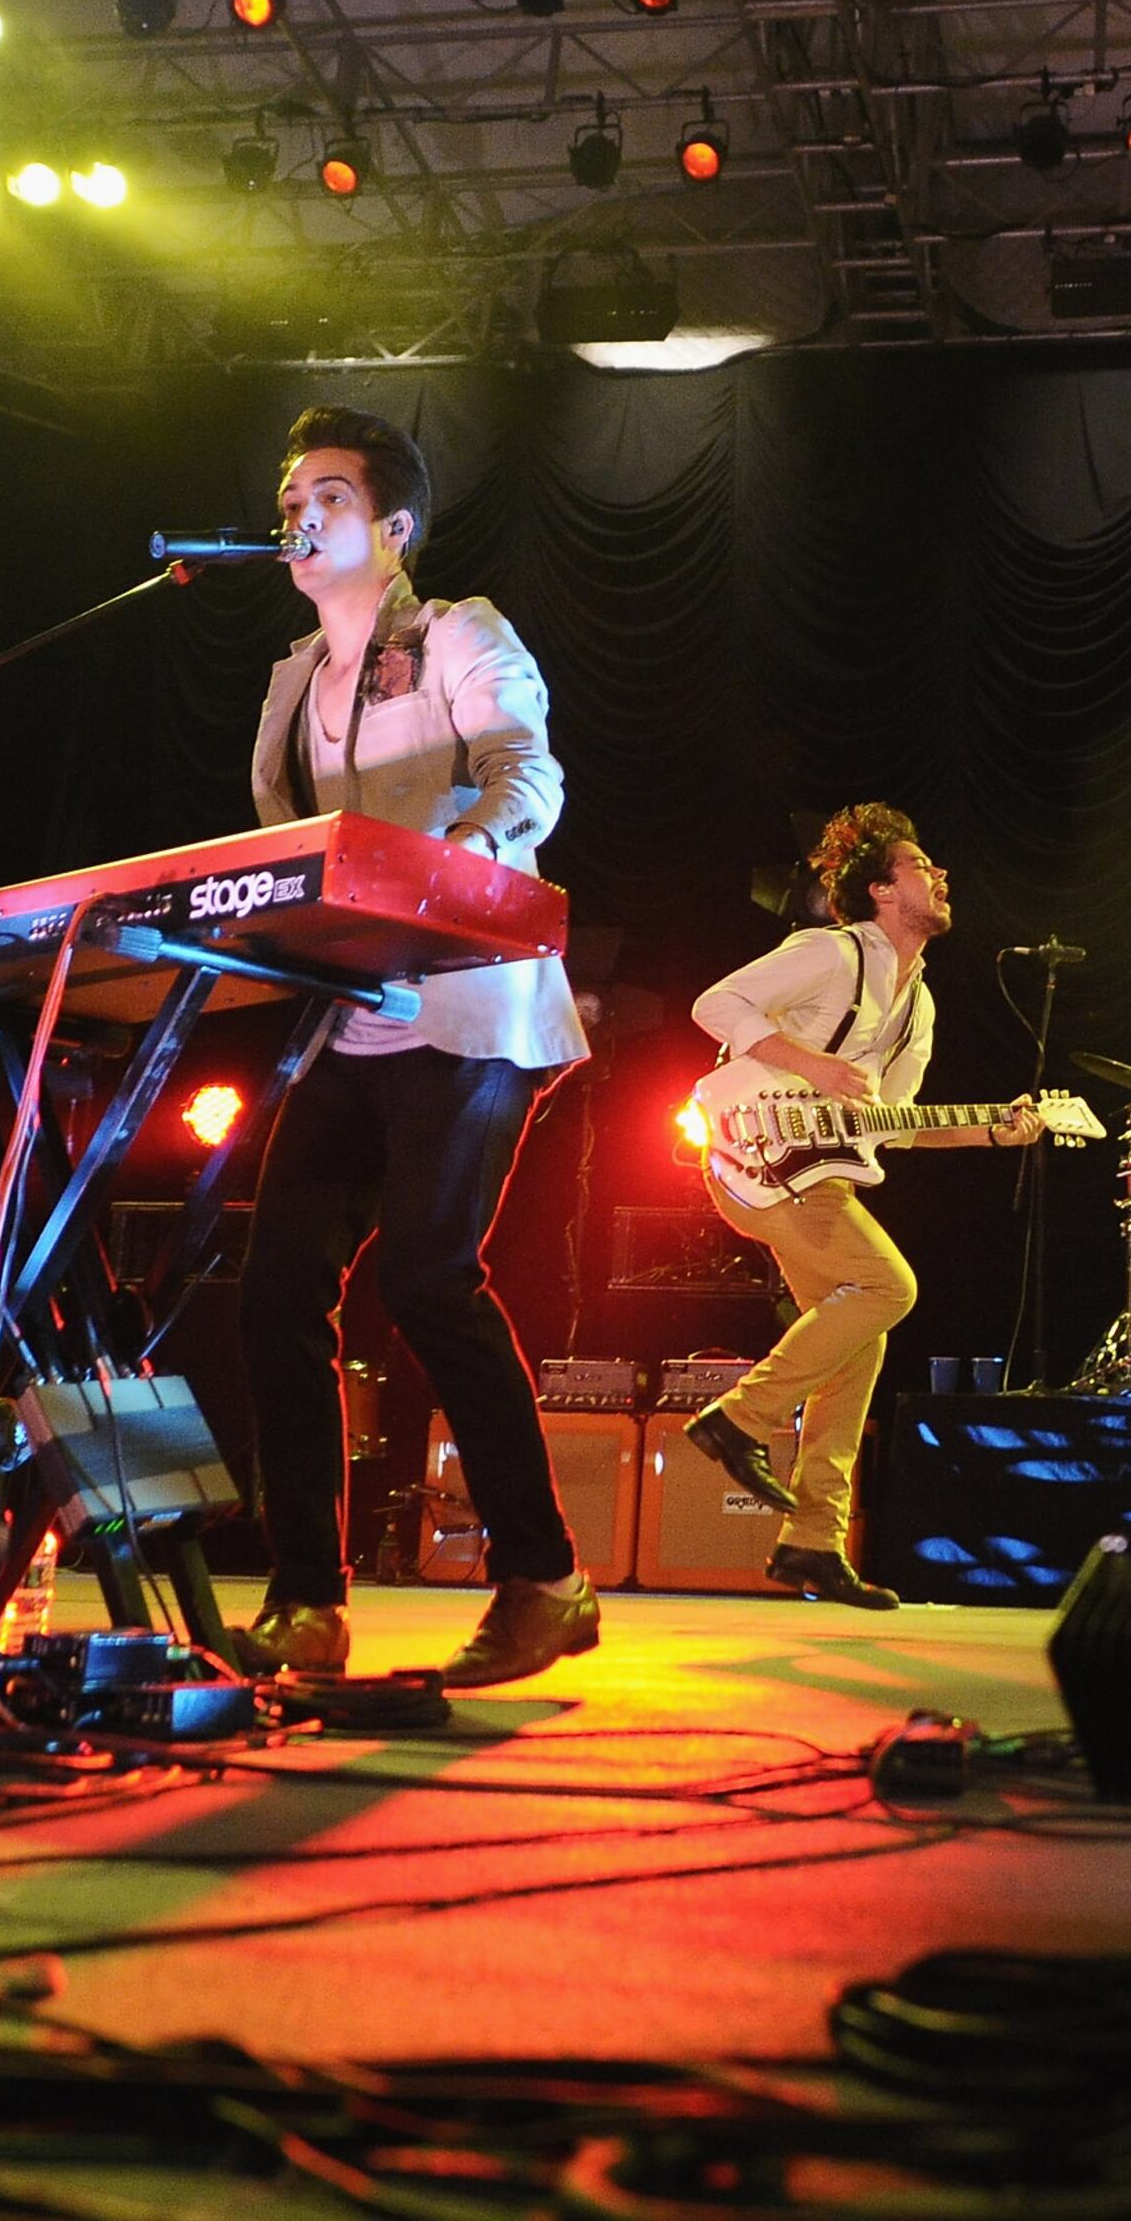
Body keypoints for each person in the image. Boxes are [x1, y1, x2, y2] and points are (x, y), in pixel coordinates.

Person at [228, 404, 598, 1690]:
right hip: (350, 1018)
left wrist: (453, 879)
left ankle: (544, 1578)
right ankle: (304, 1600)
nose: (298, 510)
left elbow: (524, 775)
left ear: (392, 528)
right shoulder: (289, 682)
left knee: (430, 1278)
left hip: (469, 1002)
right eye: (289, 493)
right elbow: (286, 853)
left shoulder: (461, 631)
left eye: (327, 492)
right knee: (277, 1287)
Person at [681, 805, 1046, 1612]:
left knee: (858, 1346)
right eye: (922, 866)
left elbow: (898, 1126)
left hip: (825, 1175)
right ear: (880, 889)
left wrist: (995, 1134)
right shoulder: (828, 951)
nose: (940, 876)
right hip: (759, 1151)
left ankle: (812, 1542)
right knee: (889, 1287)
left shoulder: (920, 1005)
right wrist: (815, 1064)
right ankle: (738, 1418)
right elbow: (716, 1005)